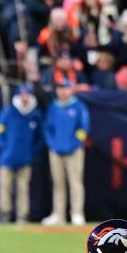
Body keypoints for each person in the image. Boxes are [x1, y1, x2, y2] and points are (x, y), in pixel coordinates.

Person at [42, 78, 90, 227]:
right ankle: (59, 214)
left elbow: (84, 129)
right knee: (58, 183)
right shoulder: (53, 107)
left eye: (65, 88)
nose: (62, 91)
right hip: (56, 151)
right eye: (60, 88)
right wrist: (52, 144)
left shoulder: (79, 107)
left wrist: (75, 144)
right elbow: (47, 128)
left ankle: (77, 214)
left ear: (71, 89)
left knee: (75, 182)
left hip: (74, 151)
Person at [0, 85, 42, 223]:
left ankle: (22, 214)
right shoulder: (8, 112)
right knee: (5, 186)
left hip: (25, 158)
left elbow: (40, 137)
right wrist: (4, 147)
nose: (25, 97)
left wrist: (32, 151)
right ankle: (4, 213)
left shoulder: (35, 115)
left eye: (27, 94)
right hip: (7, 158)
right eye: (23, 94)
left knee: (23, 188)